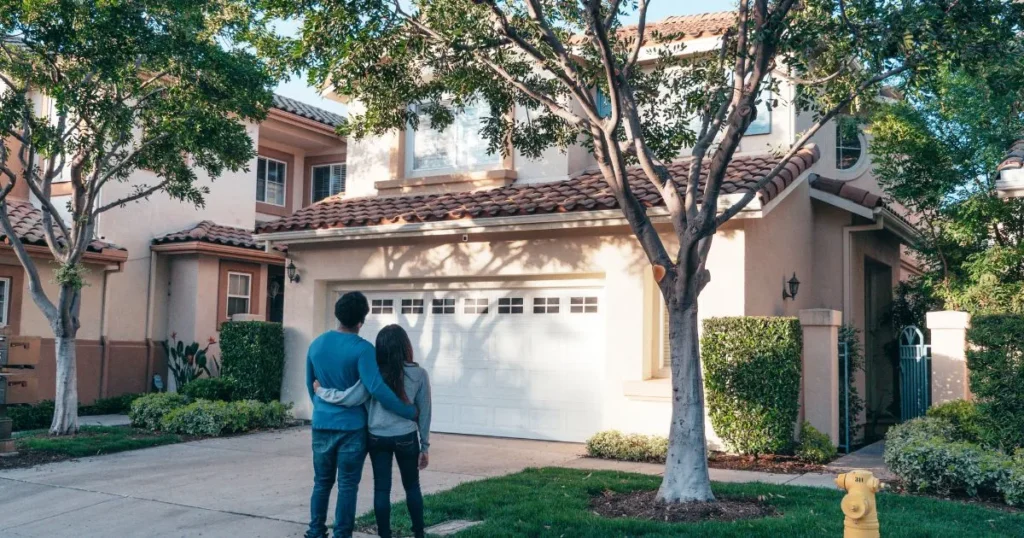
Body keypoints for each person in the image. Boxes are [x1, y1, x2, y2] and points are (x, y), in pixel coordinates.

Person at [305, 293, 417, 538]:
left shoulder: (316, 344)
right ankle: (342, 534)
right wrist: (408, 411)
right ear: (361, 320)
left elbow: (310, 386)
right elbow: (377, 388)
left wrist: (324, 411)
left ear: (338, 315)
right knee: (347, 485)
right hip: (352, 428)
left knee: (321, 482)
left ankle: (315, 531)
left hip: (322, 423)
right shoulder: (364, 350)